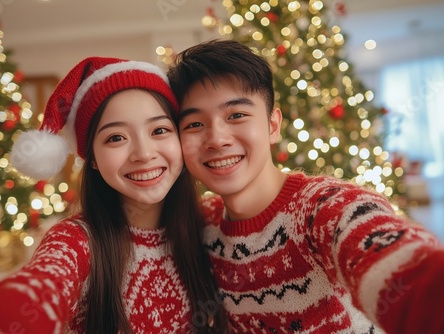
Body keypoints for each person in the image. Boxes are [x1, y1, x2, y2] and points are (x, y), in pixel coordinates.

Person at [167, 39, 444, 334]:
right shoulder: (200, 222)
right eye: (194, 124)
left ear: (273, 126)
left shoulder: (324, 207)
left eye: (236, 115)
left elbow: (403, 269)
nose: (216, 139)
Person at [0, 57, 228, 333]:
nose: (144, 154)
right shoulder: (77, 240)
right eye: (115, 138)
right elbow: (40, 286)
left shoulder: (212, 218)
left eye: (159, 130)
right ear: (94, 159)